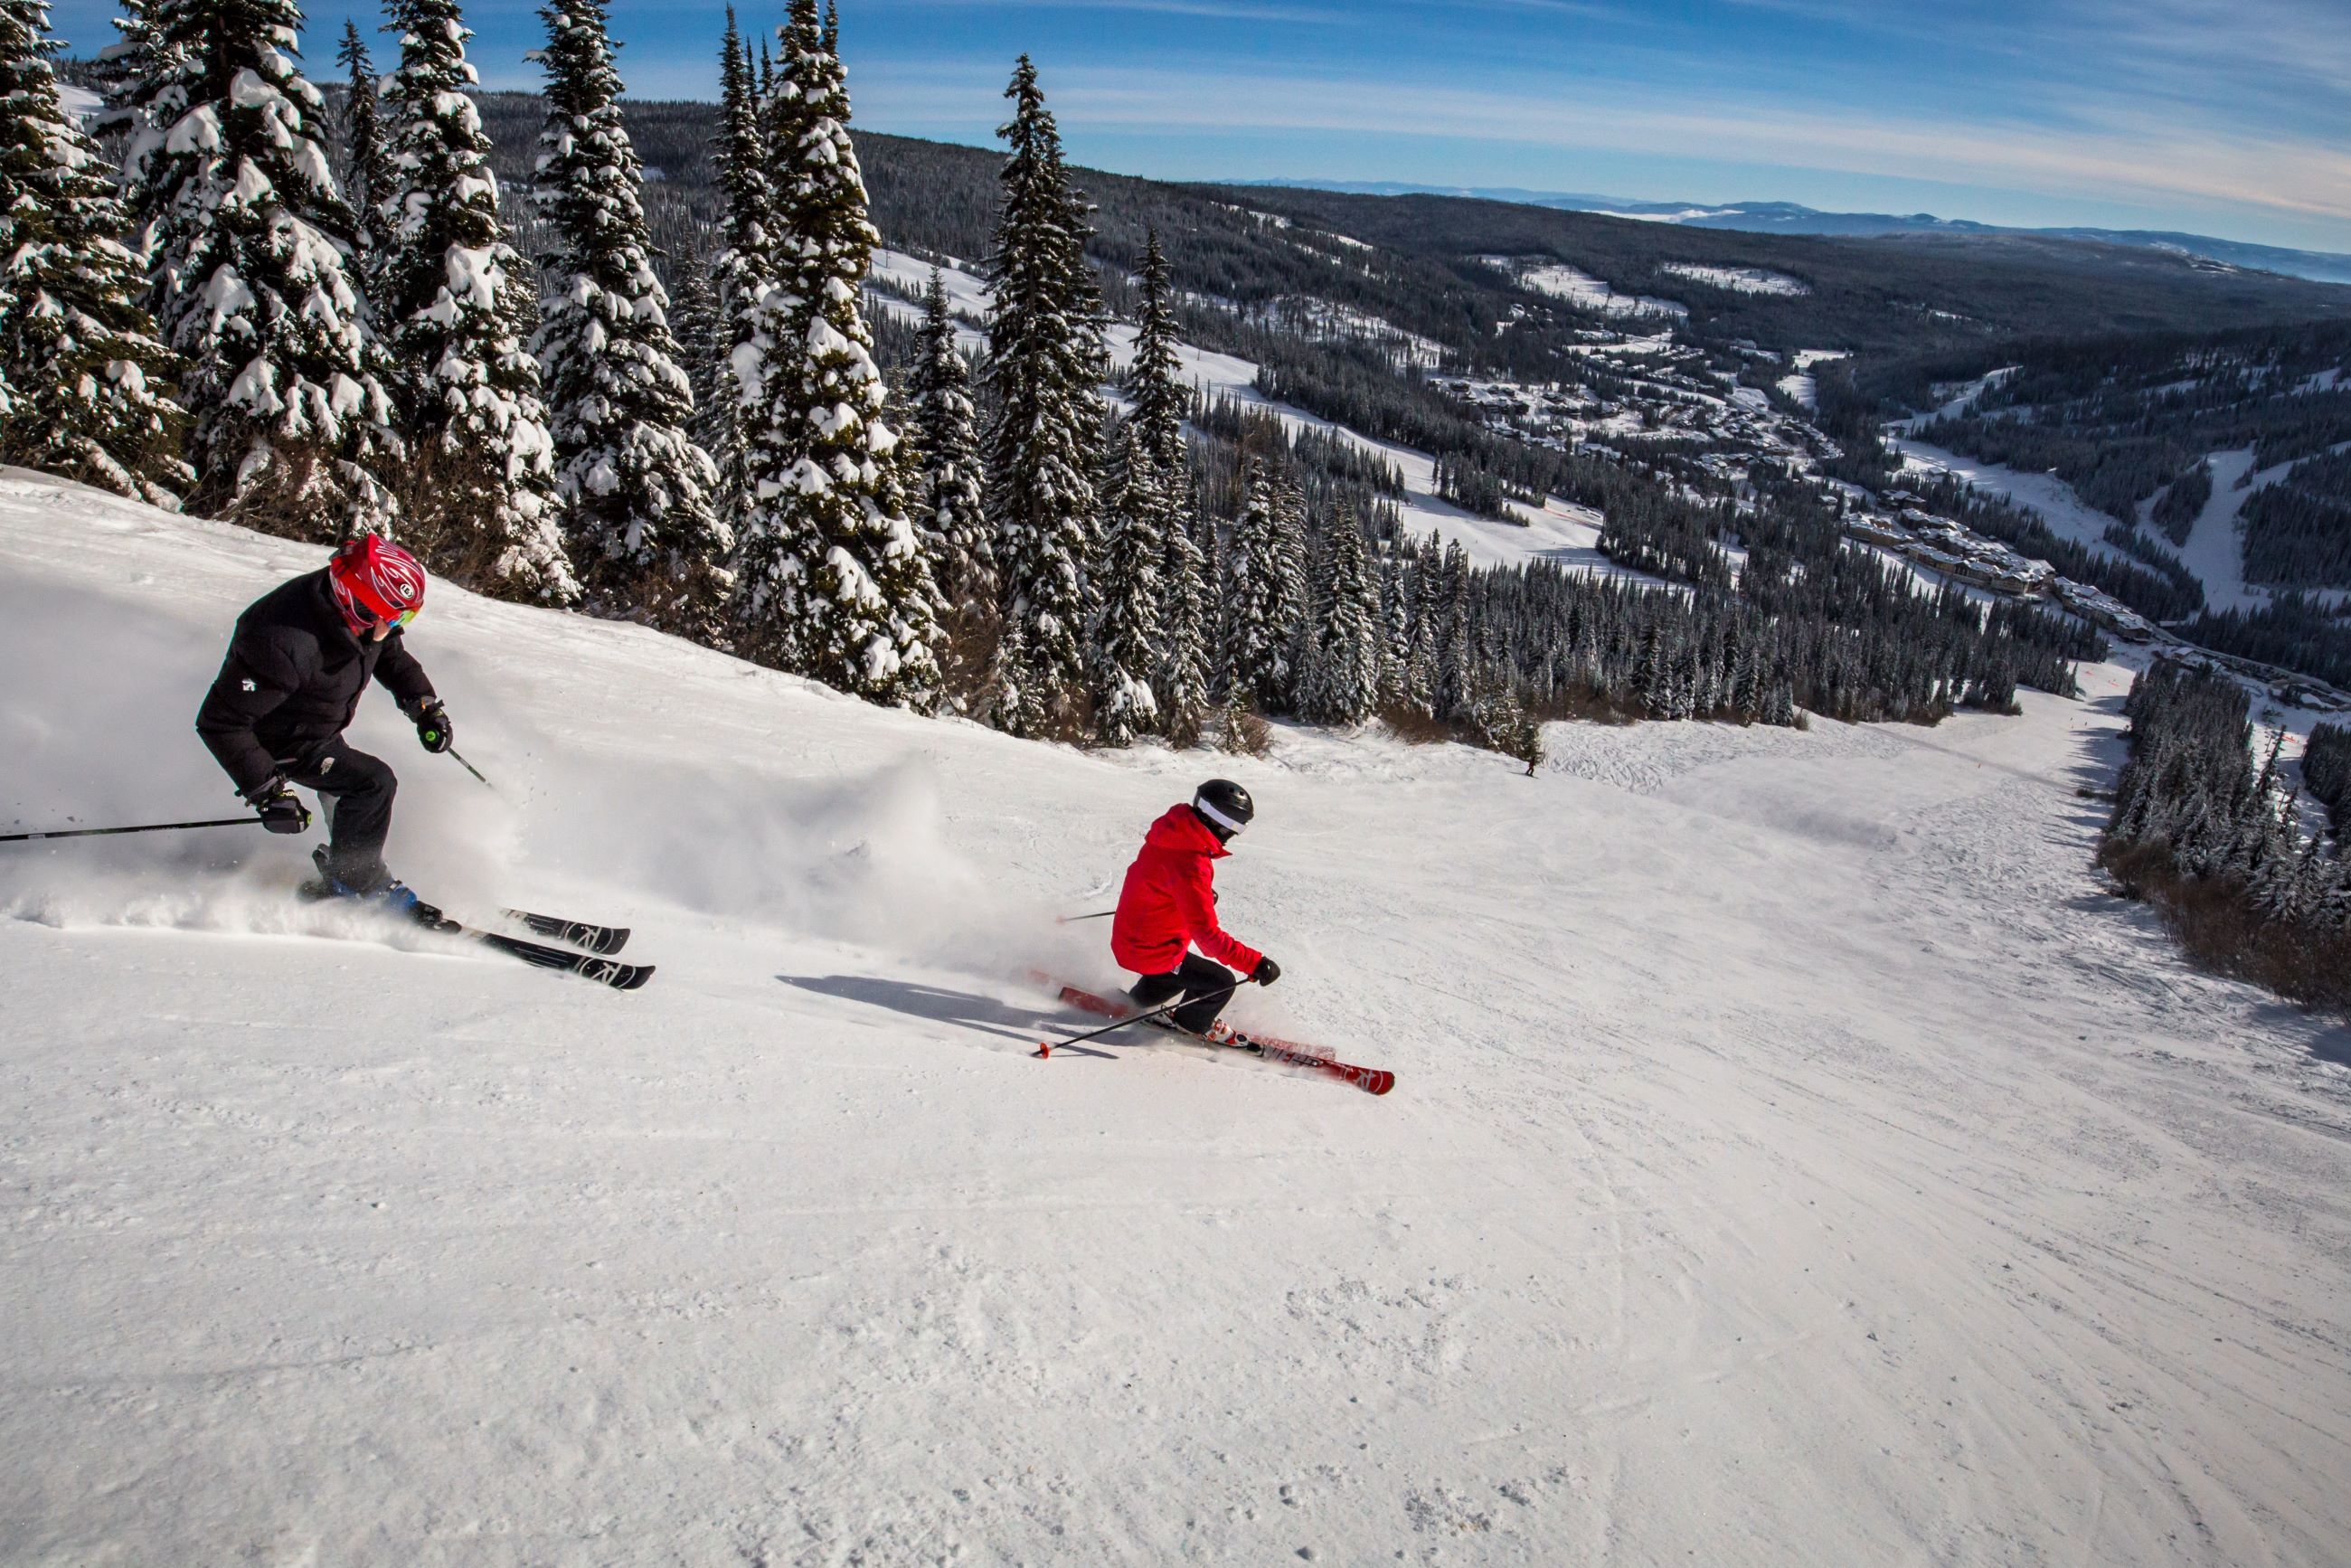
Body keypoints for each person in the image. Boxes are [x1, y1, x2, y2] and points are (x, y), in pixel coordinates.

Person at [194, 534, 452, 912]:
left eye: (405, 617)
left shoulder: (361, 619)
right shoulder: (280, 644)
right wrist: (268, 791)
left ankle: (352, 869)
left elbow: (389, 654)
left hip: (316, 727)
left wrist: (424, 704)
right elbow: (220, 723)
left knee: (350, 792)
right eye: (392, 616)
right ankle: (353, 886)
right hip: (279, 742)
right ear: (356, 603)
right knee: (372, 784)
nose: (394, 626)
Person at [1110, 779, 1280, 1039]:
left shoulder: (1172, 834)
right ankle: (1188, 1025)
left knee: (1175, 969)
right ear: (1220, 821)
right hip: (1150, 949)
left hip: (1135, 939)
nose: (1234, 835)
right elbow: (1207, 937)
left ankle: (1137, 1004)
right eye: (1236, 827)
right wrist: (1256, 963)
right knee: (1220, 984)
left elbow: (1161, 878)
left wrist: (1190, 896)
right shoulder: (1191, 862)